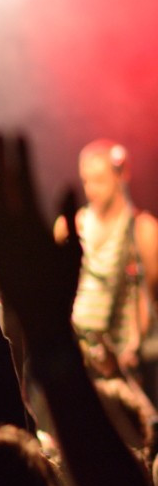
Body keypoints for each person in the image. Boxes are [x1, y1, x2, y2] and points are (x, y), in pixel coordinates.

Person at [54, 139, 158, 373]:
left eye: (100, 180)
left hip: (123, 359)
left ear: (122, 175)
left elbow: (148, 296)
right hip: (77, 356)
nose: (91, 189)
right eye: (86, 180)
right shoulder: (70, 227)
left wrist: (133, 347)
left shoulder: (143, 230)